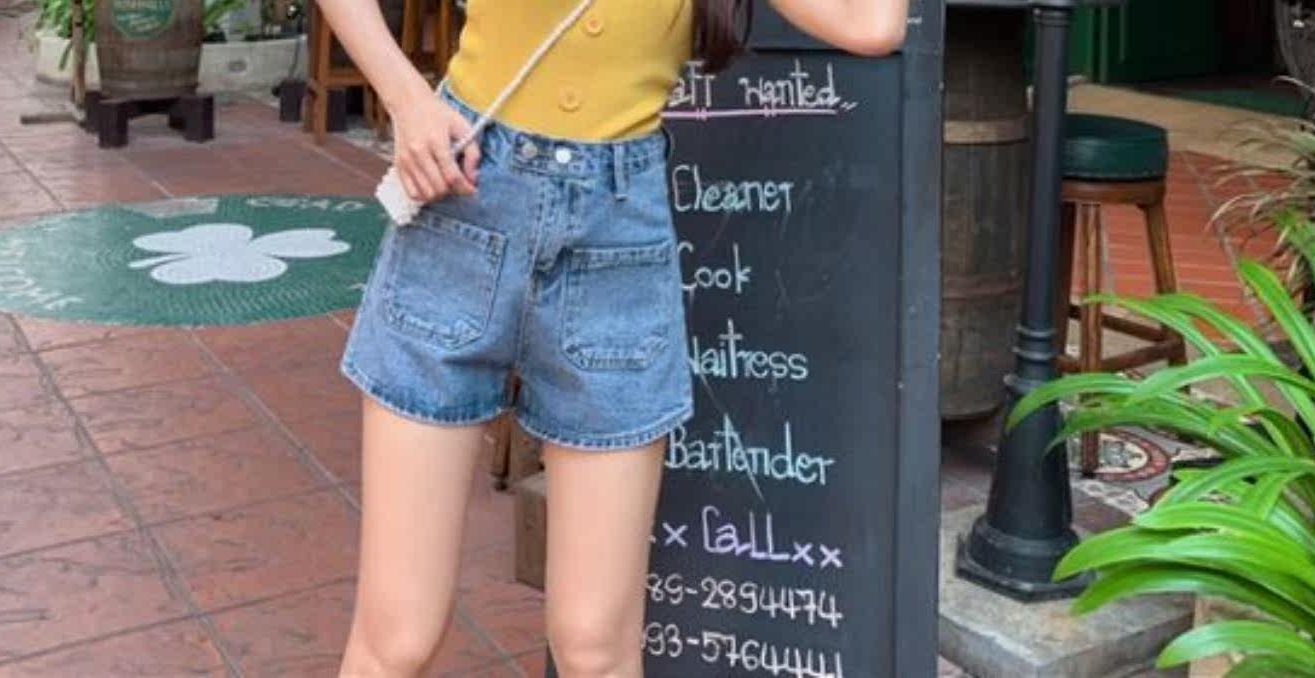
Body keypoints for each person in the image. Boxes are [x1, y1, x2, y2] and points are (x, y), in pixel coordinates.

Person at [318, 0, 908, 675]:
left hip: (617, 239)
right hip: (464, 200)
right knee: (398, 635)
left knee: (595, 646)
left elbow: (872, 23)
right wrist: (404, 97)